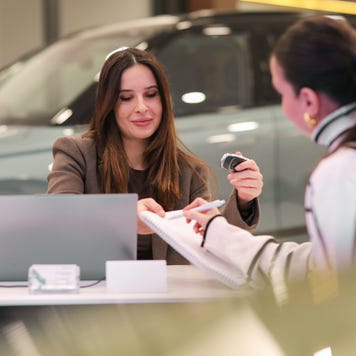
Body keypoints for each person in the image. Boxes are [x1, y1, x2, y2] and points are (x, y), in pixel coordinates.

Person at [144, 15, 356, 298]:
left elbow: (328, 279)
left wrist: (219, 233)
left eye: (280, 93)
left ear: (307, 101)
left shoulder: (339, 170)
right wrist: (219, 232)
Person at [48, 47, 263, 264]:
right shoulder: (76, 154)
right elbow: (60, 216)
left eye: (151, 95)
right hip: (97, 293)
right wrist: (124, 218)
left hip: (168, 295)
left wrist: (244, 199)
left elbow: (214, 248)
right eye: (126, 98)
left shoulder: (189, 172)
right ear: (109, 104)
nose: (141, 107)